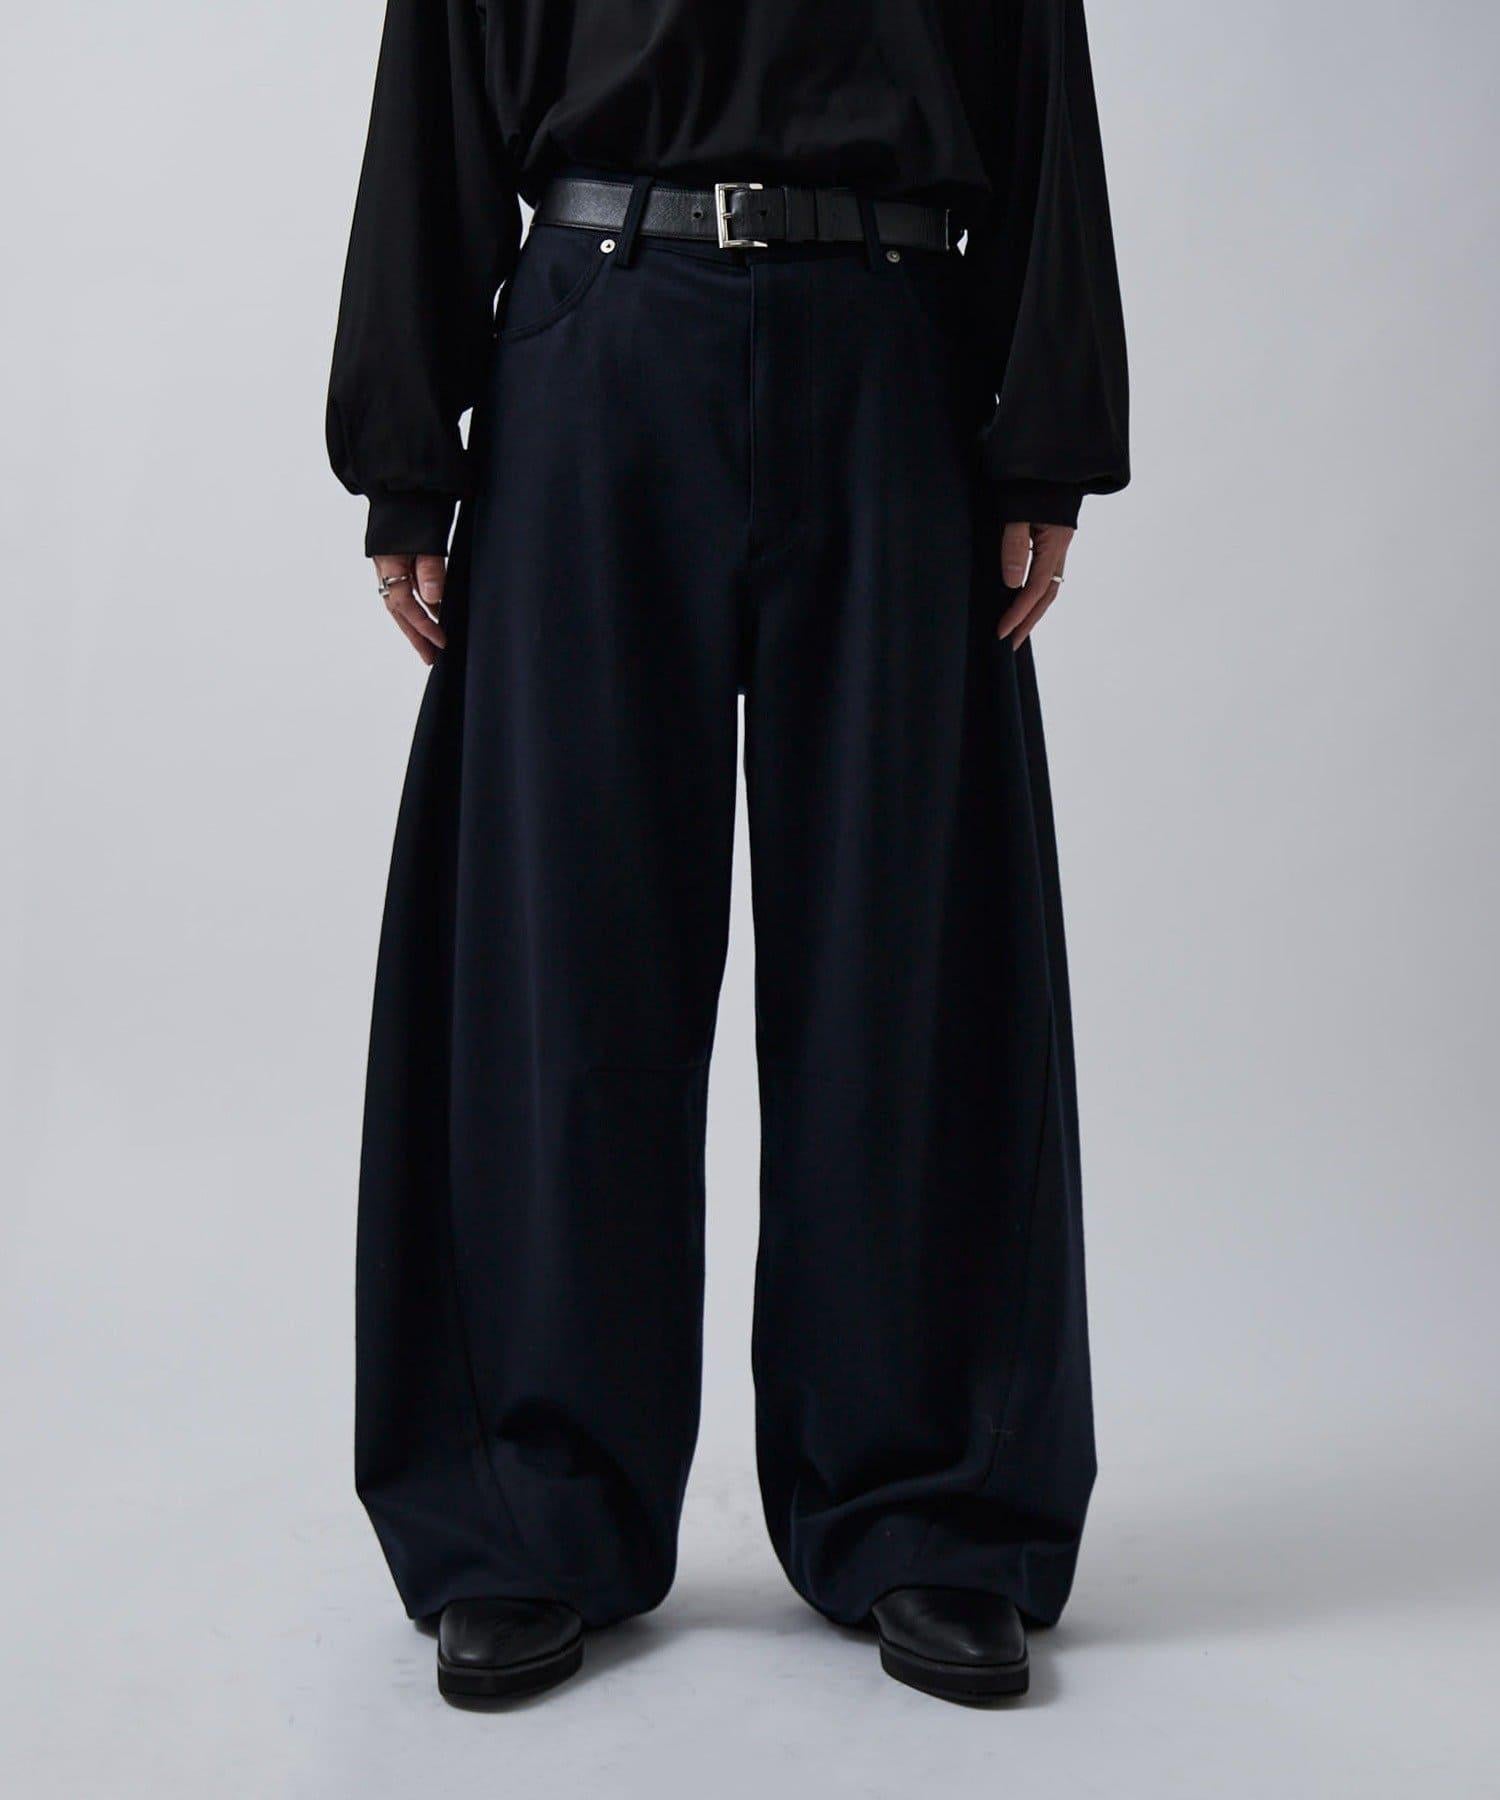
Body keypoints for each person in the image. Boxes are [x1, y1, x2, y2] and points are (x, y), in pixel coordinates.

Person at [328, 0, 1128, 1706]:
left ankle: (927, 1505)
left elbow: (1034, 61)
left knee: (905, 951)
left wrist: (1049, 425)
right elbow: (441, 66)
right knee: (566, 958)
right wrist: (404, 450)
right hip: (596, 338)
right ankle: (531, 1503)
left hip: (893, 350)